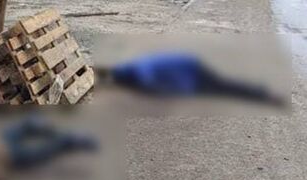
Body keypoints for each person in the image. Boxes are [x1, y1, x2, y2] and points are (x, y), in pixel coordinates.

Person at [111, 52, 285, 105]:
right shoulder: (138, 65)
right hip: (189, 66)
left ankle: (262, 95)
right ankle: (260, 93)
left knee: (223, 88)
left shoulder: (141, 71)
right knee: (223, 87)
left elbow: (151, 86)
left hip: (191, 71)